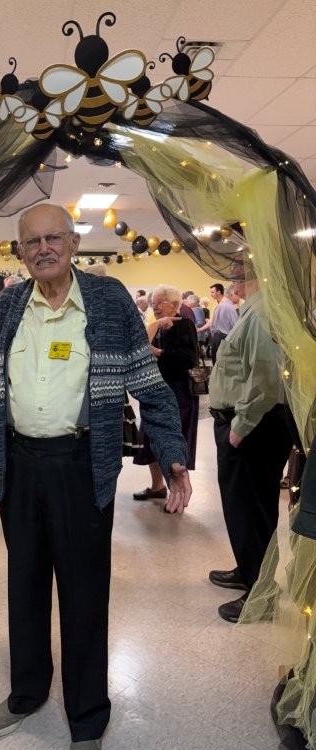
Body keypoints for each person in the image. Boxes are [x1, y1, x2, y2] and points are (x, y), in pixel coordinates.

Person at [0, 203, 192, 750]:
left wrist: (173, 457)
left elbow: (150, 387)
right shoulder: (9, 306)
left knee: (85, 593)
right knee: (25, 584)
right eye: (31, 241)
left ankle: (87, 716)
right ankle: (28, 691)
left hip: (82, 465)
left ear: (73, 243)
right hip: (19, 466)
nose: (43, 248)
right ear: (20, 251)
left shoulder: (109, 302)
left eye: (53, 238)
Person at [208, 263, 292, 622]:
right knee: (246, 508)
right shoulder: (254, 310)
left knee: (251, 511)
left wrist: (240, 428)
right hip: (252, 425)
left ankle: (260, 594)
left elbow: (266, 379)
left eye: (240, 271)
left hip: (252, 427)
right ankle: (248, 570)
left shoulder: (260, 314)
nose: (233, 277)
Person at [132, 285, 200, 502]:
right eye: (154, 303)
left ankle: (176, 491)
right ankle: (157, 486)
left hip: (178, 391)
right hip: (157, 388)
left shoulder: (185, 324)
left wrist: (158, 352)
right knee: (149, 436)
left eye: (160, 303)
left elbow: (189, 359)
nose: (156, 307)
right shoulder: (159, 326)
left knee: (175, 438)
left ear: (175, 304)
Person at [201, 283, 238, 364]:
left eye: (212, 292)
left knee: (217, 363)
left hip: (218, 337)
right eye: (237, 294)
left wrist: (215, 336)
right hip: (224, 338)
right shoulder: (229, 307)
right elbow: (235, 326)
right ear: (232, 294)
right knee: (223, 364)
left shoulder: (221, 305)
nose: (239, 296)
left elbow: (213, 325)